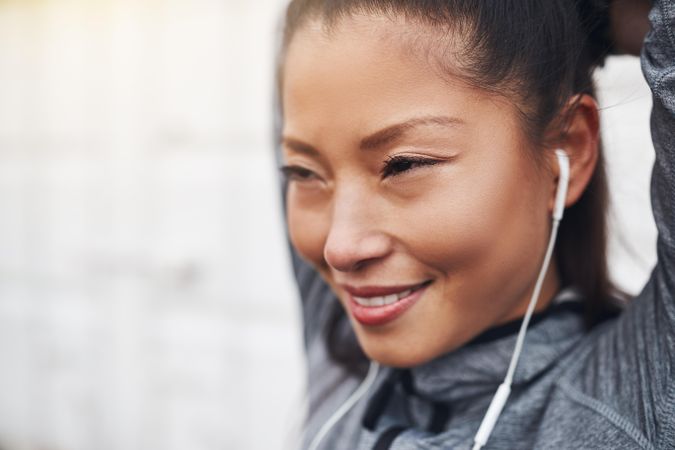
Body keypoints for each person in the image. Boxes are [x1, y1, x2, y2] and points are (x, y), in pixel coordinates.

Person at [276, 0, 673, 448]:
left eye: (404, 165)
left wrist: (591, 15)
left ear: (569, 149)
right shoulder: (345, 352)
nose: (339, 248)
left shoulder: (639, 398)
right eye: (303, 173)